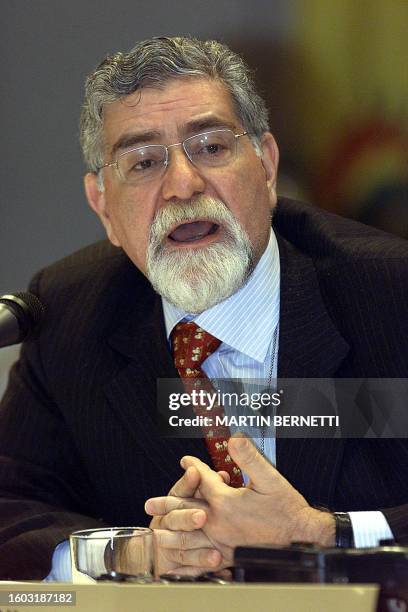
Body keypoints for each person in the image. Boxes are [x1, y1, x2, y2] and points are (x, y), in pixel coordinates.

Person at [0, 36, 407, 581]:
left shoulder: (389, 294)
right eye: (143, 162)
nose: (182, 185)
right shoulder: (68, 313)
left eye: (212, 147)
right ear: (102, 205)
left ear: (265, 168)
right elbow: (12, 506)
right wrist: (131, 553)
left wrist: (321, 533)